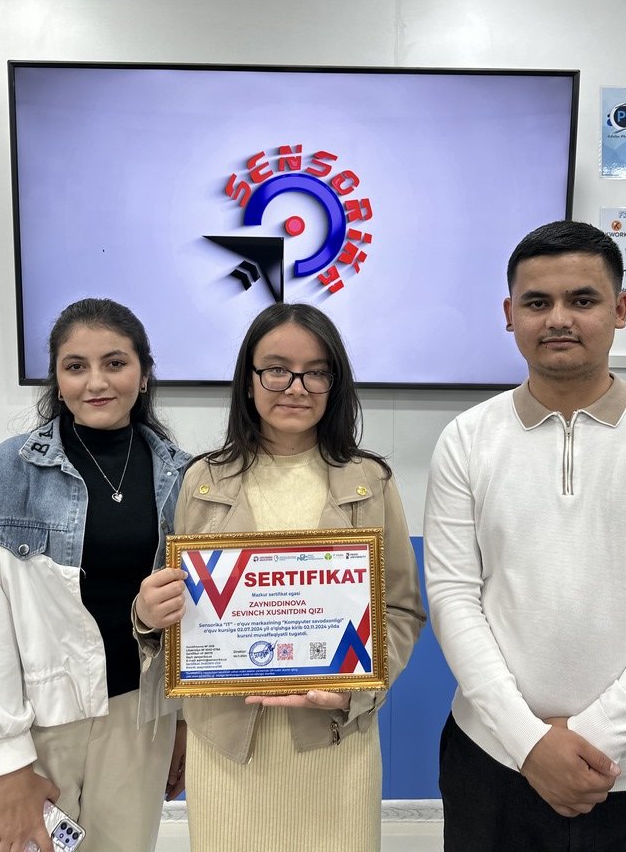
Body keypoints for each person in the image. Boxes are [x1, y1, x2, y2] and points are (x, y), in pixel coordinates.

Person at [423, 220, 626, 852]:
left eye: (582, 300)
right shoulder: (466, 440)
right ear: (510, 314)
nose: (559, 318)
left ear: (621, 310)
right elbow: (453, 600)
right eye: (538, 302)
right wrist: (529, 744)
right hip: (494, 765)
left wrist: (591, 740)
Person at [135, 302, 425, 852]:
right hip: (227, 749)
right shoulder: (201, 480)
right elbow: (173, 610)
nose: (296, 387)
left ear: (335, 383)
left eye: (316, 372)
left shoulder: (370, 481)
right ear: (248, 381)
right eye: (276, 370)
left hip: (333, 746)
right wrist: (147, 616)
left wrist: (352, 692)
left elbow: (402, 609)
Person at [0, 298, 191, 852]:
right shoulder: (7, 471)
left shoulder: (182, 475)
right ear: (58, 381)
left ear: (144, 374)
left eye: (115, 363)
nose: (96, 382)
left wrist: (178, 720)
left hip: (138, 721)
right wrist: (9, 762)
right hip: (33, 725)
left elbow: (184, 614)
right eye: (76, 366)